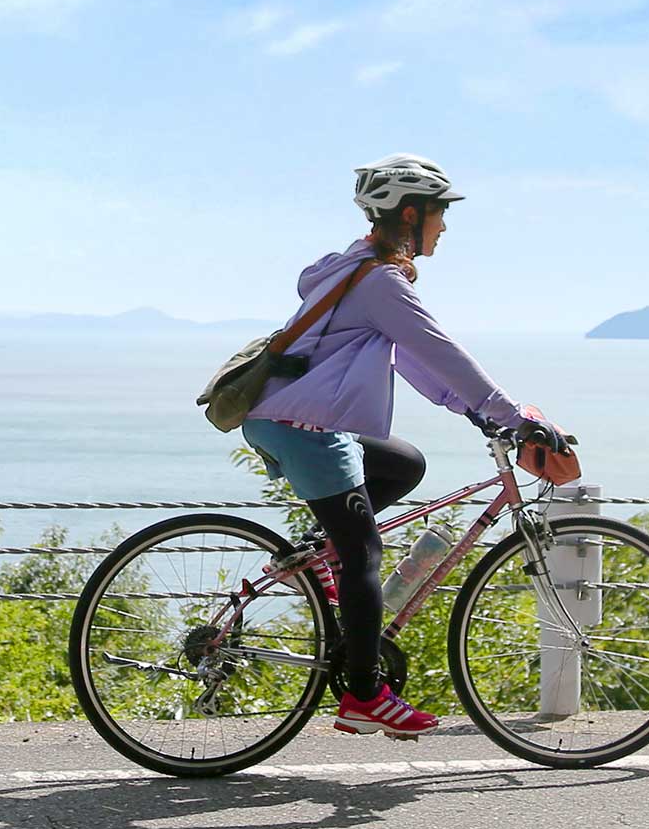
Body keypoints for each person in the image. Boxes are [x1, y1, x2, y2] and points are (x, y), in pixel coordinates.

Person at [240, 154, 569, 739]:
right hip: (305, 426)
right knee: (367, 555)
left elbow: (417, 362)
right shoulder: (380, 282)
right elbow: (440, 349)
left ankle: (312, 563)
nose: (445, 225)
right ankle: (364, 696)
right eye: (441, 213)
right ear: (412, 214)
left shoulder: (363, 272)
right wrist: (513, 417)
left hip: (292, 416)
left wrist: (476, 412)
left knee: (402, 464)